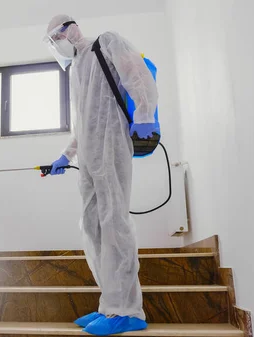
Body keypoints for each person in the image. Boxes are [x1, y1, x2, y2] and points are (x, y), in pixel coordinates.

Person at [42, 15, 159, 336]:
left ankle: (127, 310)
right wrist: (65, 156)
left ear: (68, 30)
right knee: (92, 226)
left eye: (55, 39)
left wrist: (146, 114)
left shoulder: (106, 43)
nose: (56, 47)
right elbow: (82, 121)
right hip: (91, 155)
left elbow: (137, 76)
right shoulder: (77, 69)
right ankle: (109, 305)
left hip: (111, 145)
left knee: (114, 224)